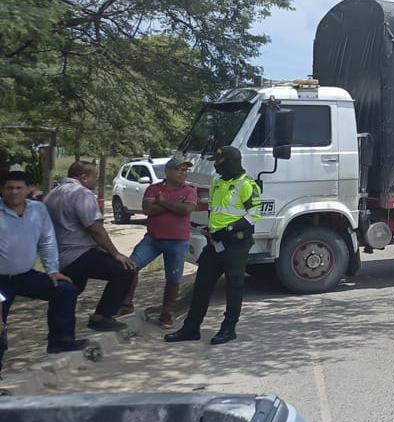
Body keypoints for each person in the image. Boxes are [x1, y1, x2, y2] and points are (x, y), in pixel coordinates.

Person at [166, 147, 261, 345]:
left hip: (236, 243)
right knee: (202, 284)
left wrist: (228, 230)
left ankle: (229, 328)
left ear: (231, 162)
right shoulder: (217, 181)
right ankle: (191, 328)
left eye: (220, 161)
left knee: (234, 287)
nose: (216, 165)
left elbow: (254, 216)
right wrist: (210, 229)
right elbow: (214, 209)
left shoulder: (247, 184)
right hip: (214, 242)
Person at [0, 171, 86, 369]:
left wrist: (52, 269)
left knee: (65, 290)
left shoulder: (38, 210)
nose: (14, 192)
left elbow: (47, 240)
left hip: (25, 275)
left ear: (28, 189)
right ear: (2, 190)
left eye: (19, 187)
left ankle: (61, 343)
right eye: (9, 188)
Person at [44, 161, 137, 332]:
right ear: (83, 177)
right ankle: (101, 316)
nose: (96, 181)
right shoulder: (82, 194)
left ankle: (59, 331)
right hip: (78, 252)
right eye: (95, 177)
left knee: (71, 289)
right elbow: (95, 229)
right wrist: (115, 253)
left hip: (59, 254)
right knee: (125, 270)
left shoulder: (52, 194)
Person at [121, 158, 196, 329]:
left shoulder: (189, 191)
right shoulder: (154, 188)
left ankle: (166, 313)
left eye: (185, 170)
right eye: (179, 169)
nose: (183, 173)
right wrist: (175, 206)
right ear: (167, 172)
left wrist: (162, 202)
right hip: (153, 239)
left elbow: (186, 210)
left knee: (173, 279)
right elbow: (148, 209)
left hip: (178, 241)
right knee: (131, 267)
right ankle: (126, 304)